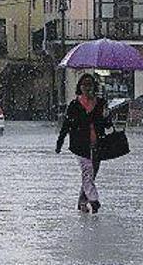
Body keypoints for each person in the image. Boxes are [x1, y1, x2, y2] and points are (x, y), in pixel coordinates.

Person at [55, 73, 112, 214]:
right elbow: (66, 125)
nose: (87, 87)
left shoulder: (100, 103)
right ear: (80, 86)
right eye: (84, 84)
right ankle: (94, 200)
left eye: (90, 84)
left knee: (91, 175)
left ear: (94, 86)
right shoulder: (74, 105)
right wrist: (59, 143)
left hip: (98, 143)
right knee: (88, 171)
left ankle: (82, 201)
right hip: (80, 145)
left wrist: (106, 116)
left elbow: (107, 125)